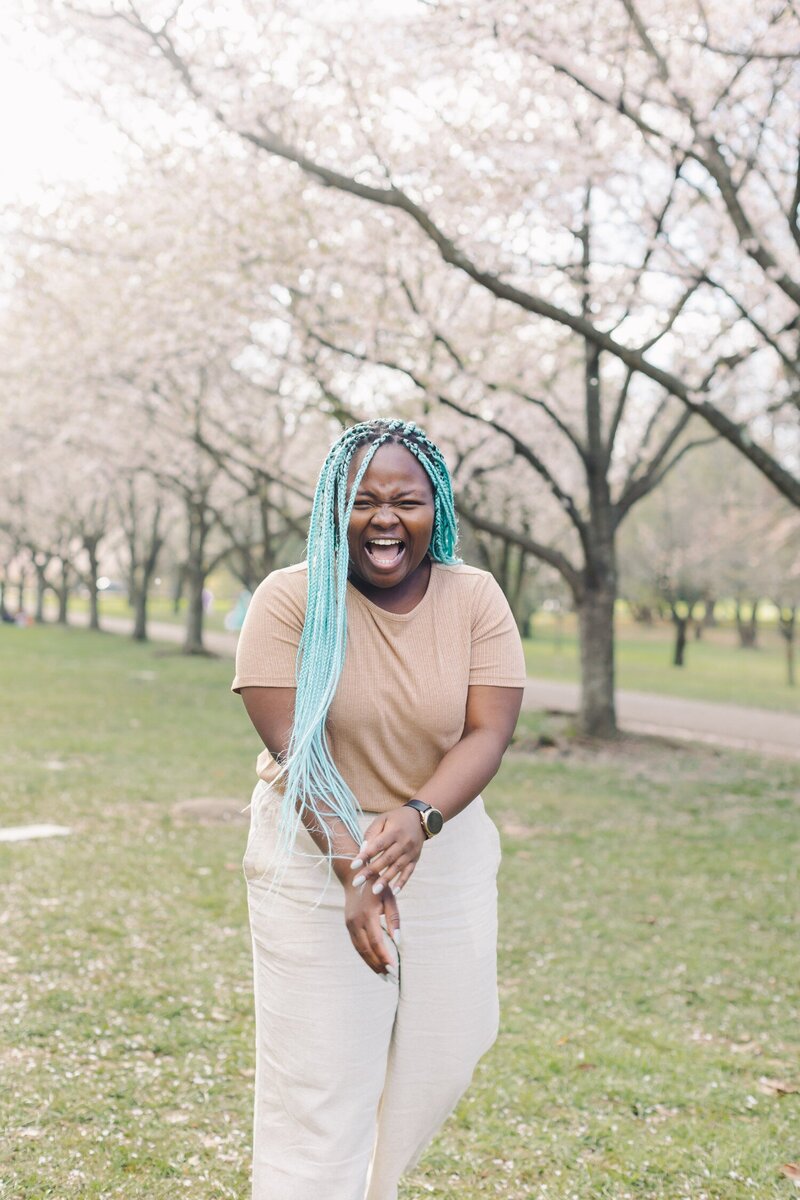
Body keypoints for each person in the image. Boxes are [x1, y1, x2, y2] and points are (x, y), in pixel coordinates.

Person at [232, 418, 525, 1200]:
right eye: (363, 500)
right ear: (334, 507)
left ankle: (369, 1186)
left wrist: (422, 816)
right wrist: (353, 865)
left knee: (450, 1046)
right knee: (321, 1088)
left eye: (407, 500)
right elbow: (299, 752)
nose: (386, 518)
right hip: (313, 842)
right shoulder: (289, 600)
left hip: (442, 843)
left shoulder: (475, 598)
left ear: (439, 508)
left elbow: (489, 730)